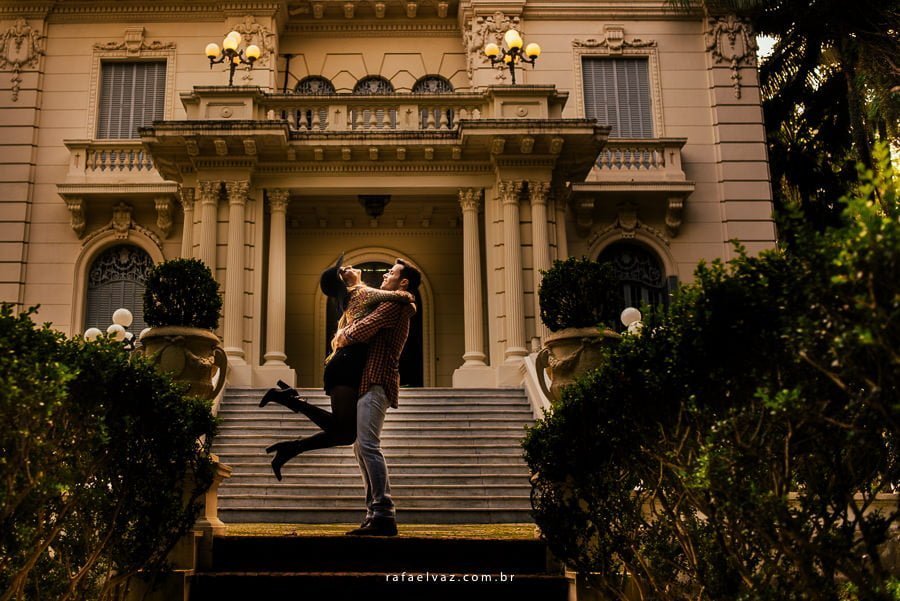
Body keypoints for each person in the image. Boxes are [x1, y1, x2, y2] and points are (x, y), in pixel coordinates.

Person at [261, 254, 414, 481]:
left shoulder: (356, 296)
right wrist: (408, 296)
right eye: (345, 270)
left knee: (345, 432)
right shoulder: (360, 292)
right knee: (345, 432)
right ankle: (289, 407)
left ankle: (290, 434)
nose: (350, 268)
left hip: (347, 365)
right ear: (344, 282)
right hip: (346, 365)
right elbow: (400, 296)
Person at [338, 259, 421, 537]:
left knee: (369, 446)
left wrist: (342, 335)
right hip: (368, 381)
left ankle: (383, 512)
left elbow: (360, 330)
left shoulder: (394, 305)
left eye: (392, 273)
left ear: (404, 282)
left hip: (377, 380)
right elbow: (360, 311)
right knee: (361, 447)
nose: (386, 274)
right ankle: (374, 512)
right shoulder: (390, 301)